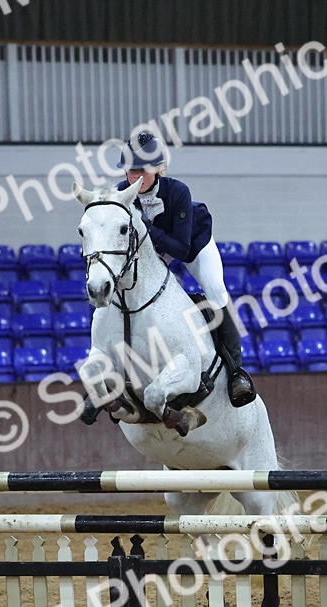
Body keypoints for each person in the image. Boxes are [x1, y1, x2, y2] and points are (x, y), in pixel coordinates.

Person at [114, 131, 256, 407]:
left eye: (142, 170)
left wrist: (145, 228)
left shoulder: (178, 191)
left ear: (157, 169)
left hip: (193, 244)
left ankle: (237, 372)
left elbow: (180, 249)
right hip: (154, 250)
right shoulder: (121, 194)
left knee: (216, 291)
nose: (135, 177)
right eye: (131, 171)